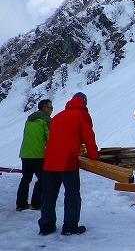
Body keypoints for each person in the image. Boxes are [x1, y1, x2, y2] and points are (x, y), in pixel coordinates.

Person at [38, 92, 99, 236]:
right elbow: (88, 137)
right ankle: (70, 227)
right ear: (84, 102)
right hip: (67, 161)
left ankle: (46, 226)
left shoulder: (58, 116)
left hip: (50, 161)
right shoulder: (82, 115)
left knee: (48, 195)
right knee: (72, 195)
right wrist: (94, 156)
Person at [16, 99, 53, 211]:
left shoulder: (29, 119)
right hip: (38, 154)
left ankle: (21, 204)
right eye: (51, 108)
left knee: (26, 178)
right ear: (45, 108)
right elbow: (51, 137)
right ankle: (36, 204)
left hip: (25, 153)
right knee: (42, 179)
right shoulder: (46, 120)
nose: (52, 110)